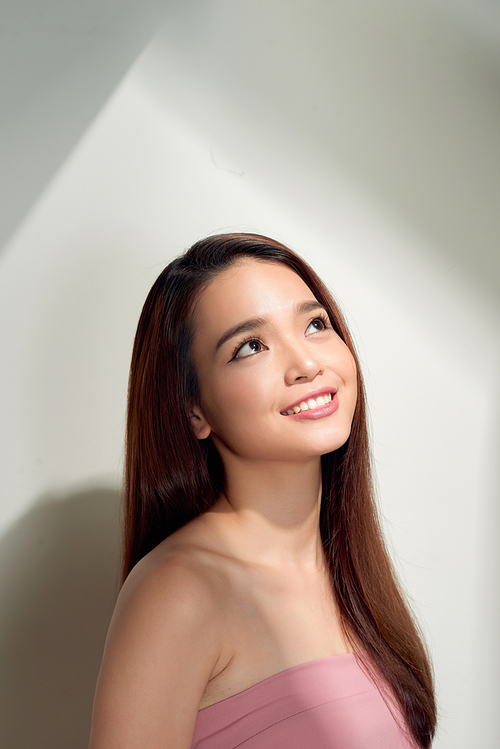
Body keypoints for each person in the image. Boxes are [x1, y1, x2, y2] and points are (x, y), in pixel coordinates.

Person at [88, 233, 436, 749]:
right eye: (251, 346)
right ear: (194, 410)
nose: (306, 364)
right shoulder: (180, 591)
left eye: (315, 324)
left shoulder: (349, 570)